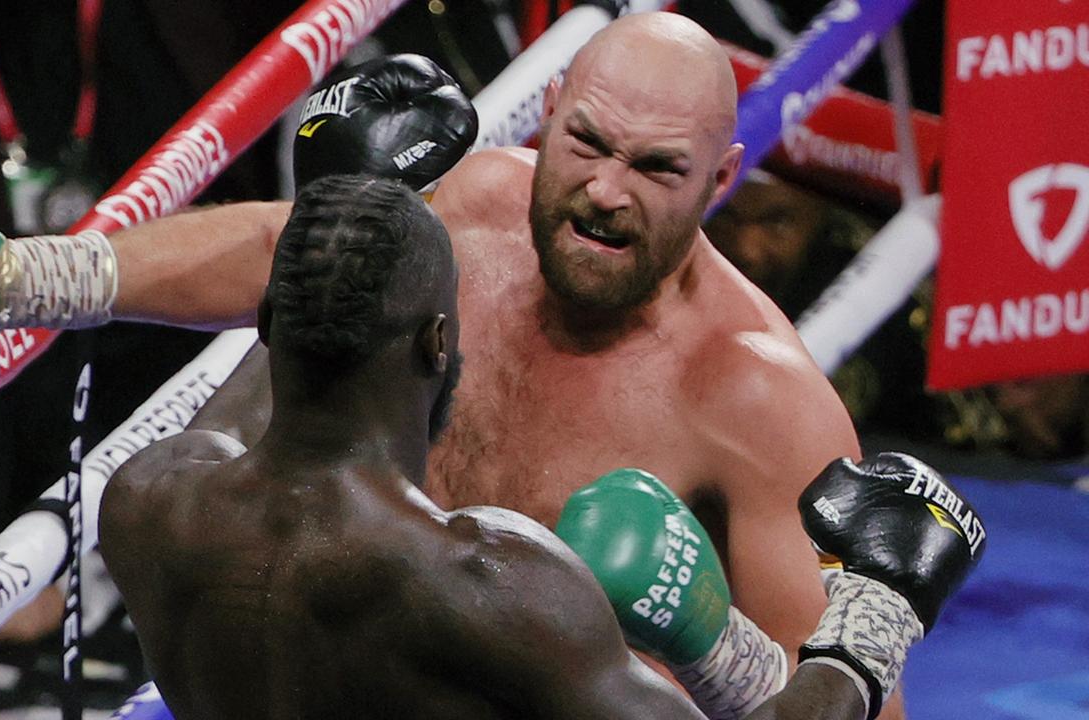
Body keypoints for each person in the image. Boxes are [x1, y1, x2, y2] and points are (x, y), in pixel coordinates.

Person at [0, 12, 896, 716]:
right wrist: (34, 275)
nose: (605, 192)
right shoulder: (481, 206)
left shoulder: (757, 399)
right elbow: (291, 250)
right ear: (550, 123)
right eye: (586, 145)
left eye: (656, 168)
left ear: (720, 178)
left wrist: (713, 646)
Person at [99, 174, 982, 720]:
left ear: (269, 323)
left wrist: (359, 207)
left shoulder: (147, 496)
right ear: (439, 345)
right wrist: (874, 617)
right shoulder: (486, 584)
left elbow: (294, 333)